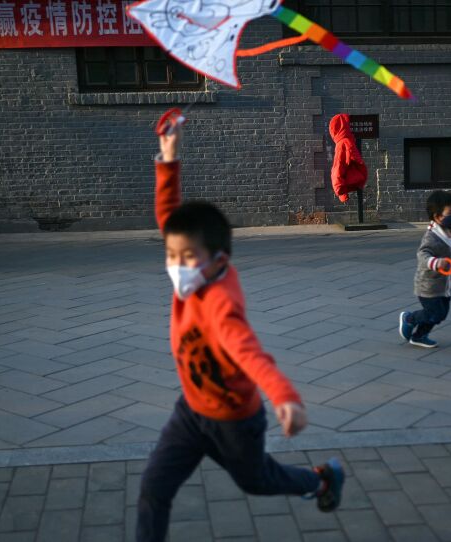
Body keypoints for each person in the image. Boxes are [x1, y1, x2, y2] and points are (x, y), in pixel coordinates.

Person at [137, 113, 344, 542]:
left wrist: (285, 397)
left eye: (188, 257)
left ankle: (322, 479)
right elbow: (169, 219)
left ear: (219, 262)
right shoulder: (194, 272)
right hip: (191, 411)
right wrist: (169, 157)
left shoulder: (219, 305)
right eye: (172, 256)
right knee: (153, 489)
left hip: (234, 419)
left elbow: (250, 353)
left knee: (256, 481)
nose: (176, 266)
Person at [399, 190, 451, 348]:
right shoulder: (431, 236)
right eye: (450, 213)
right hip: (428, 285)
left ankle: (419, 335)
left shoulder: (450, 231)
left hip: (444, 284)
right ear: (437, 216)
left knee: (441, 314)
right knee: (434, 313)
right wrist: (436, 263)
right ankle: (410, 319)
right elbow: (422, 254)